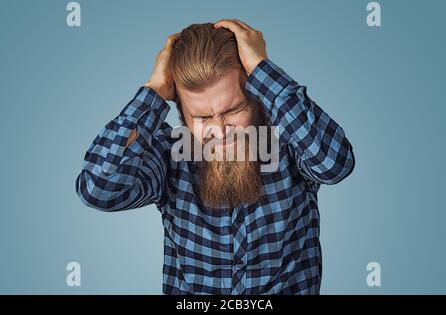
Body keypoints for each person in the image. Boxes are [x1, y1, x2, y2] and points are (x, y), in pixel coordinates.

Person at [75, 19, 355, 295]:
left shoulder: (292, 139)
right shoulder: (169, 152)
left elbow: (334, 165)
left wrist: (261, 68)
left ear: (257, 96)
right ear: (181, 112)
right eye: (201, 117)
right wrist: (155, 90)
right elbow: (99, 189)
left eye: (233, 110)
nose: (220, 132)